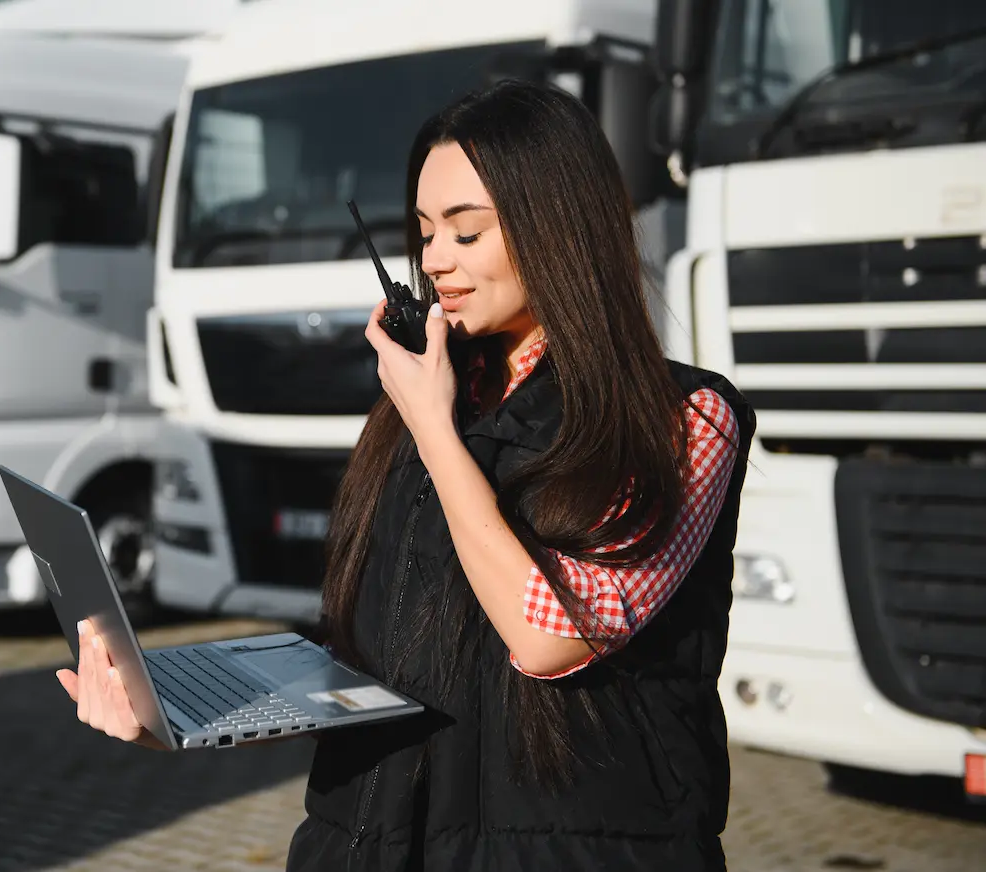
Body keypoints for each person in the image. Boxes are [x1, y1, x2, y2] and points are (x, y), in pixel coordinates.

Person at [57, 78, 755, 871]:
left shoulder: (683, 417)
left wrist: (431, 425)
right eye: (422, 233)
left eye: (466, 232)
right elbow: (366, 654)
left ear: (559, 227)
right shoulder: (420, 403)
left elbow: (552, 634)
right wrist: (177, 710)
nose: (433, 263)